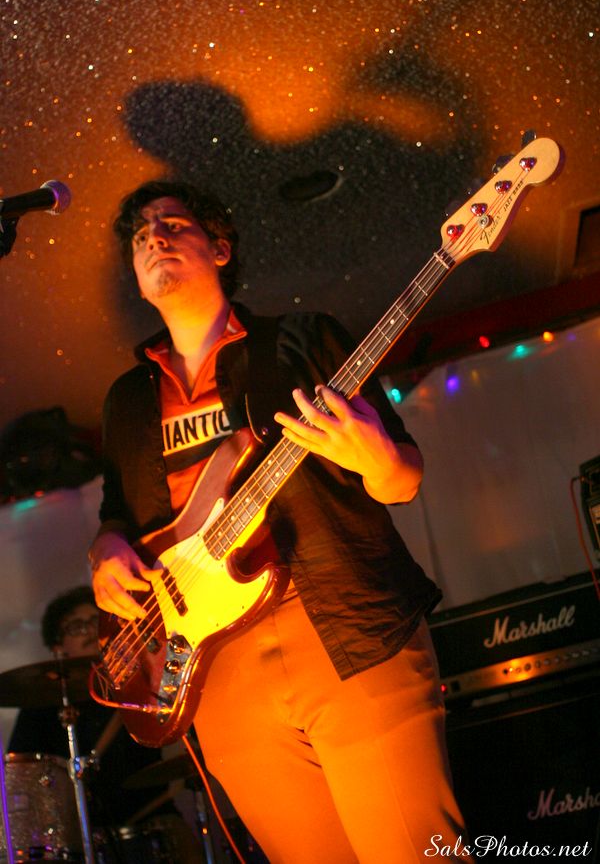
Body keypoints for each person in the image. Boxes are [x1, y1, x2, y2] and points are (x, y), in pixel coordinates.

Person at [89, 180, 472, 863]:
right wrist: (105, 550)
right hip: (213, 666)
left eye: (172, 224)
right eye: (141, 235)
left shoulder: (304, 338)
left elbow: (403, 478)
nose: (154, 238)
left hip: (342, 624)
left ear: (220, 248)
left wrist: (378, 458)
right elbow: (117, 516)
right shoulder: (126, 400)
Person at [9, 585, 201, 863]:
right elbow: (22, 778)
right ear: (57, 646)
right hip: (83, 840)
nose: (90, 631)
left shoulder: (140, 683)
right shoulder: (38, 706)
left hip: (156, 825)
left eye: (94, 623)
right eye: (77, 627)